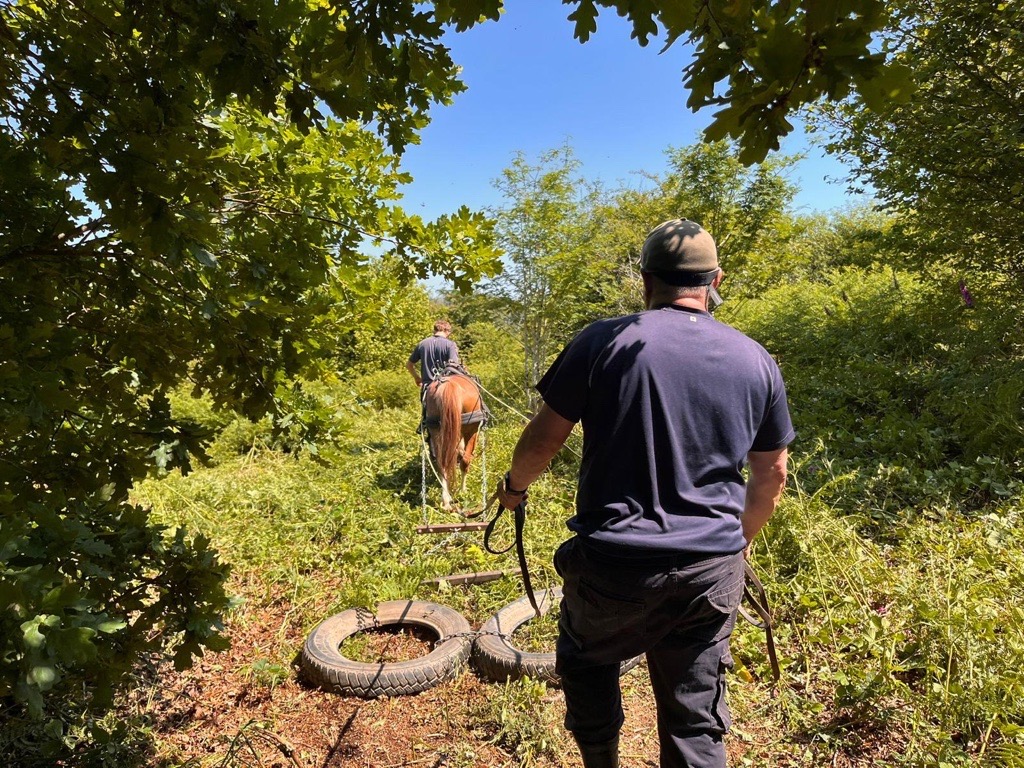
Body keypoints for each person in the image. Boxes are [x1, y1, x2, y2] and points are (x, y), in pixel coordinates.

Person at [494, 219, 794, 768]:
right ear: (715, 281)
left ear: (646, 280)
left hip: (615, 565)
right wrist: (738, 541)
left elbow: (542, 439)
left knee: (587, 662)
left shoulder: (603, 340)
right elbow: (772, 474)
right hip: (710, 570)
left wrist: (514, 490)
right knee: (694, 716)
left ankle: (600, 758)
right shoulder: (756, 359)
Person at [407, 320, 461, 391]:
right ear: (446, 331)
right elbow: (454, 366)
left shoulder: (422, 344)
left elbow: (409, 365)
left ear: (434, 330)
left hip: (427, 387)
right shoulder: (450, 345)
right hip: (445, 386)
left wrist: (417, 378)